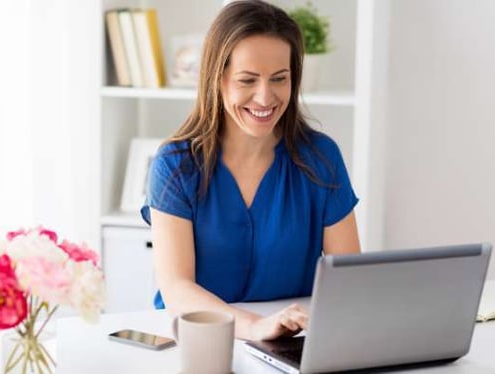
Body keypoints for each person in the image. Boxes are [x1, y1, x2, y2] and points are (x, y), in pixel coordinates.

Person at [141, 0, 360, 341]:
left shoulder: (321, 158)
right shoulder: (175, 165)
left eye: (279, 79)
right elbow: (176, 288)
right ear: (218, 78)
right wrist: (255, 327)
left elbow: (349, 281)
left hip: (288, 345)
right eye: (247, 80)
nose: (265, 97)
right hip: (198, 343)